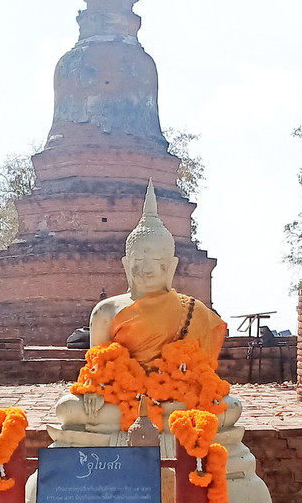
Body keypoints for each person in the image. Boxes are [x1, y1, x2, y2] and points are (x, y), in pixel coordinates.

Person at [55, 181, 238, 433]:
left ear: (171, 266)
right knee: (68, 409)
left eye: (156, 261)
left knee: (231, 406)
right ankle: (171, 427)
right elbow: (97, 365)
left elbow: (200, 369)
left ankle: (154, 424)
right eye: (140, 260)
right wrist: (94, 390)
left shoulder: (190, 310)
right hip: (123, 397)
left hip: (173, 394)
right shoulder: (107, 311)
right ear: (126, 264)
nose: (148, 268)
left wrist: (188, 384)